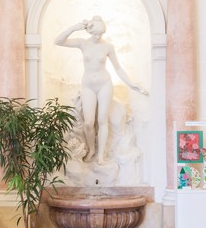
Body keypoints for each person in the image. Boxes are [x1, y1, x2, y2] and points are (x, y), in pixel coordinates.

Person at [55, 16, 148, 162]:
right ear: (90, 31)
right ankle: (92, 149)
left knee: (102, 120)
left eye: (101, 34)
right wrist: (74, 27)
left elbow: (118, 67)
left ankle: (100, 154)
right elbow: (58, 41)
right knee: (88, 122)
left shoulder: (107, 46)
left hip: (104, 84)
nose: (98, 36)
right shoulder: (83, 43)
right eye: (96, 33)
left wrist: (131, 84)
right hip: (88, 86)